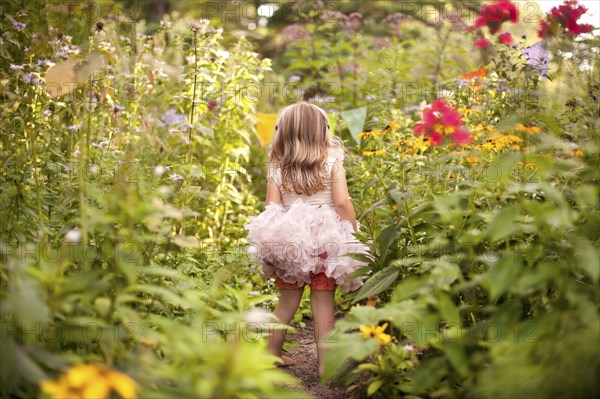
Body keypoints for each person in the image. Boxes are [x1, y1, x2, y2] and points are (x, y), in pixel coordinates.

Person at [244, 101, 369, 378]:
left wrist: (272, 237)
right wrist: (352, 233)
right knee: (323, 302)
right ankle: (327, 365)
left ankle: (271, 354)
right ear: (321, 131)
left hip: (291, 241)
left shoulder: (277, 165)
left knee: (287, 301)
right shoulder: (333, 159)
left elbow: (272, 206)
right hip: (328, 241)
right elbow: (341, 202)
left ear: (284, 132)